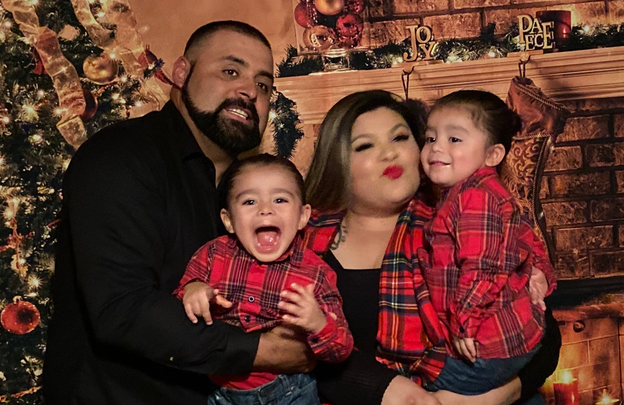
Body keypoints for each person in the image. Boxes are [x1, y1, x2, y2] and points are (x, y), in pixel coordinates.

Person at [44, 21, 314, 405]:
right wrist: (265, 352)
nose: (250, 91)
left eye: (264, 84)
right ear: (182, 73)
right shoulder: (121, 157)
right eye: (230, 71)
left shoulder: (251, 192)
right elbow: (123, 309)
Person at [301, 90, 562, 405]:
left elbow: (543, 334)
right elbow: (299, 359)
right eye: (365, 145)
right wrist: (390, 392)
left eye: (400, 138)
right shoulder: (304, 242)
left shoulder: (458, 218)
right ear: (337, 161)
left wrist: (495, 398)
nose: (390, 153)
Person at [174, 154, 353, 405]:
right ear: (229, 220)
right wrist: (193, 290)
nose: (265, 209)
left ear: (302, 216)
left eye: (280, 199)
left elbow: (342, 349)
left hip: (289, 393)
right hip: (218, 391)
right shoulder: (213, 254)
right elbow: (180, 298)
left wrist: (318, 323)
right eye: (249, 201)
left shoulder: (316, 274)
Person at [418, 90, 557, 403]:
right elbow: (525, 237)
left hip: (488, 345)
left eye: (454, 139)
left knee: (415, 379)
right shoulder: (474, 192)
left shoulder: (475, 196)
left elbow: (483, 267)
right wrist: (541, 272)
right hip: (510, 338)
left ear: (493, 155)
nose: (436, 147)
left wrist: (464, 323)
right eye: (430, 138)